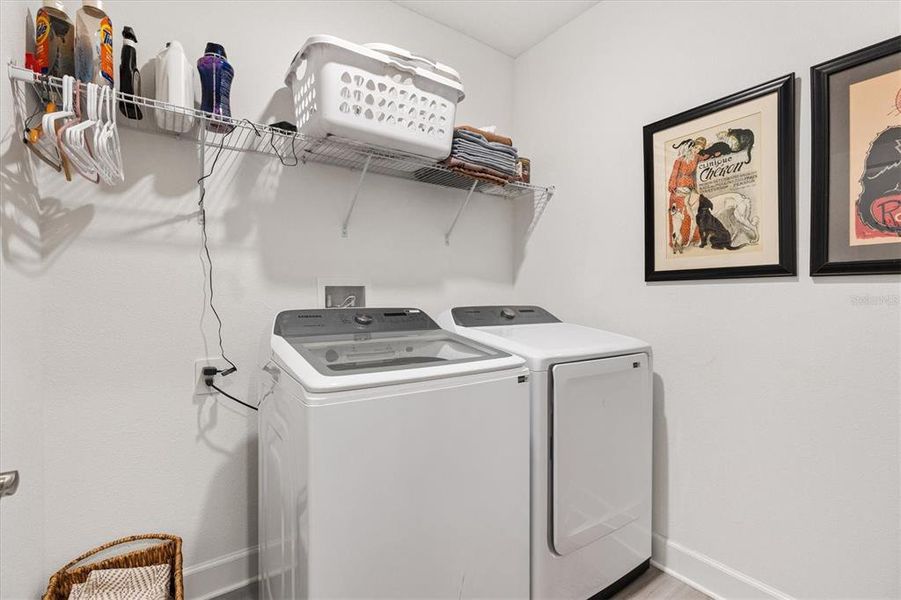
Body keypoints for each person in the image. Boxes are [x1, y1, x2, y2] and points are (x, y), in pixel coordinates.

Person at [667, 137, 706, 251]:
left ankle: (692, 238)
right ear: (691, 147)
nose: (696, 150)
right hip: (679, 188)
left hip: (690, 187)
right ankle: (678, 241)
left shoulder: (697, 157)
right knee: (679, 215)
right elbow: (674, 174)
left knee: (692, 213)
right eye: (695, 147)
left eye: (699, 149)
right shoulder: (679, 160)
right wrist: (673, 186)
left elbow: (706, 158)